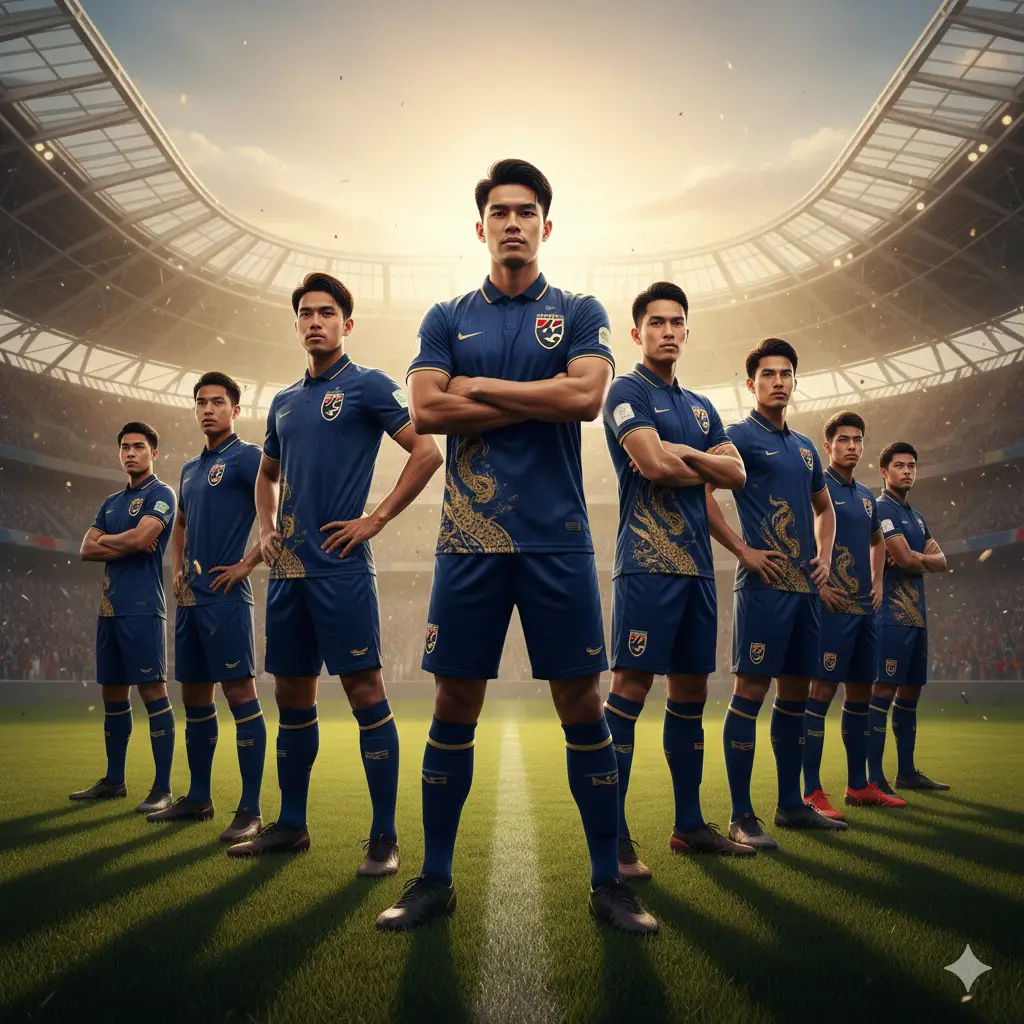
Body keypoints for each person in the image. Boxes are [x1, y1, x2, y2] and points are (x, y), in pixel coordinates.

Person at [377, 159, 657, 935]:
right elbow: (427, 411)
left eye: (525, 211)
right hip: (469, 541)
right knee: (452, 703)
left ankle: (608, 883)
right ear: (480, 227)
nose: (511, 222)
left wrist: (479, 390)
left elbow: (588, 397)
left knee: (582, 704)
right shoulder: (445, 316)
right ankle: (434, 880)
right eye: (499, 211)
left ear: (546, 225)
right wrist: (532, 402)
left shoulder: (576, 308)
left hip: (557, 539)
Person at [230, 272, 443, 872]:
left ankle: (384, 836)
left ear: (347, 324)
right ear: (296, 325)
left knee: (365, 695)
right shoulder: (284, 402)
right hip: (288, 575)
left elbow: (427, 453)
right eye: (306, 313)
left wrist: (375, 519)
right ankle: (291, 825)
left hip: (342, 570)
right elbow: (265, 475)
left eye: (327, 312)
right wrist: (267, 528)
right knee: (291, 700)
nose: (315, 321)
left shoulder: (368, 386)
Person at [601, 281, 754, 878]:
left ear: (687, 332)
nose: (668, 331)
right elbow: (650, 463)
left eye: (677, 323)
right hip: (645, 564)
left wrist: (681, 455)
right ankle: (614, 836)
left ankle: (688, 826)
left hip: (697, 568)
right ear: (638, 332)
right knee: (631, 692)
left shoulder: (702, 407)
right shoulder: (625, 390)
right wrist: (697, 460)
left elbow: (737, 476)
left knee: (690, 697)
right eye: (656, 322)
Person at [705, 338, 847, 849]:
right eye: (768, 374)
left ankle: (790, 805)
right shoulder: (736, 437)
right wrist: (743, 551)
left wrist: (826, 555)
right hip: (763, 589)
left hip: (806, 593)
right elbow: (704, 498)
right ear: (752, 383)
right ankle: (741, 816)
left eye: (786, 373)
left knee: (795, 700)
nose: (779, 381)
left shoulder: (808, 448)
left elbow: (825, 508)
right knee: (750, 696)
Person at [146, 371, 267, 842]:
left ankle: (251, 810)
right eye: (201, 402)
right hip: (191, 601)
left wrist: (246, 564)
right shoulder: (189, 469)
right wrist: (176, 568)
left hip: (227, 597)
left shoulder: (248, 457)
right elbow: (180, 521)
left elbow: (277, 508)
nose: (208, 409)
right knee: (195, 700)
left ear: (235, 410)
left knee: (240, 698)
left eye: (218, 402)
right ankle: (198, 797)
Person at [801, 411, 906, 818]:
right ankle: (811, 790)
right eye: (843, 440)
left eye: (857, 440)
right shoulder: (816, 486)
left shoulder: (866, 497)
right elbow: (802, 536)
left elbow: (877, 539)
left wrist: (878, 582)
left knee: (860, 696)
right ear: (828, 446)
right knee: (821, 694)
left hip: (865, 611)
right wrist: (819, 585)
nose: (852, 446)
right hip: (831, 609)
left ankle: (858, 785)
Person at [71, 422, 177, 814]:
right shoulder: (111, 502)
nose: (131, 453)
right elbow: (85, 549)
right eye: (125, 448)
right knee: (112, 694)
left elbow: (139, 540)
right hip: (109, 611)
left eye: (139, 447)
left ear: (153, 453)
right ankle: (115, 780)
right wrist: (128, 541)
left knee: (152, 693)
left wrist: (115, 541)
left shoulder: (162, 493)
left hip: (143, 609)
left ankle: (163, 788)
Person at [869, 442, 949, 793]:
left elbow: (942, 561)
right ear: (884, 472)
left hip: (917, 617)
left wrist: (917, 557)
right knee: (882, 693)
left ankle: (906, 772)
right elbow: (903, 560)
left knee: (911, 693)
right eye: (899, 465)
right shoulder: (881, 509)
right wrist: (919, 558)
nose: (907, 471)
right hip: (889, 617)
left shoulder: (917, 517)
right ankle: (874, 776)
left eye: (912, 466)